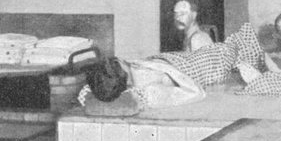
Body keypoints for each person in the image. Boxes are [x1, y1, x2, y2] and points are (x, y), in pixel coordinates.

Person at [82, 23, 265, 109]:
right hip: (205, 67)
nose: (120, 58)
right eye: (118, 62)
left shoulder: (123, 72)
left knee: (240, 44)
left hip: (190, 58)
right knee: (240, 48)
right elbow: (197, 93)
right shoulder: (150, 93)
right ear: (122, 74)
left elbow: (96, 83)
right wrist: (168, 69)